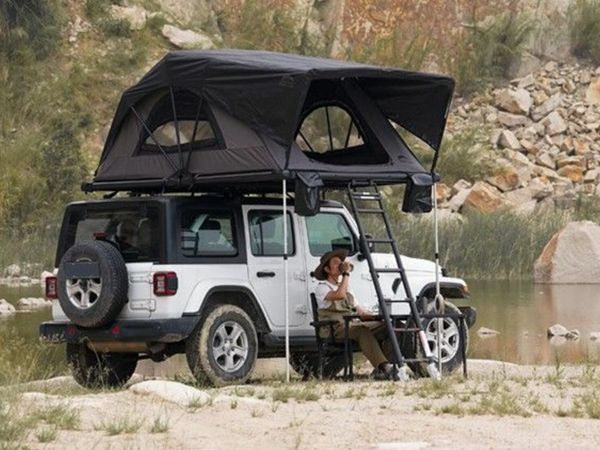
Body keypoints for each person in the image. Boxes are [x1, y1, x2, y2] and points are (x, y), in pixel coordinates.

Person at [313, 249, 399, 380]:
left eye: (341, 262)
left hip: (352, 324)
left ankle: (388, 366)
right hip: (335, 328)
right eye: (336, 263)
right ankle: (384, 367)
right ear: (327, 269)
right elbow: (339, 295)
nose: (340, 265)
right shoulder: (322, 288)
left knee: (389, 326)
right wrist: (346, 273)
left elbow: (359, 310)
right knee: (362, 331)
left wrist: (374, 316)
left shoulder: (346, 286)